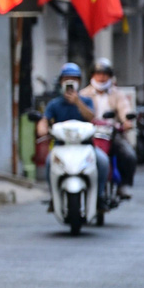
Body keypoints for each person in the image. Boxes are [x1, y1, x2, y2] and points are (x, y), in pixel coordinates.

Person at [37, 62, 107, 209]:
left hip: (86, 146)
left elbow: (91, 117)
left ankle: (99, 197)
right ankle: (53, 198)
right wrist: (42, 128)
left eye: (74, 79)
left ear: (80, 82)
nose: (70, 82)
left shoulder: (86, 100)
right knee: (50, 162)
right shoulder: (54, 104)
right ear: (61, 82)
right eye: (67, 79)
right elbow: (44, 121)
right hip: (62, 147)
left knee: (102, 162)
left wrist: (77, 102)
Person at [80, 58, 135, 200]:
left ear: (110, 76)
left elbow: (125, 110)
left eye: (105, 74)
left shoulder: (118, 94)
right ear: (92, 75)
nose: (101, 77)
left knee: (128, 154)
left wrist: (126, 122)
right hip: (90, 133)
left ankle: (124, 185)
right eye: (98, 73)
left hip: (111, 133)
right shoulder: (84, 94)